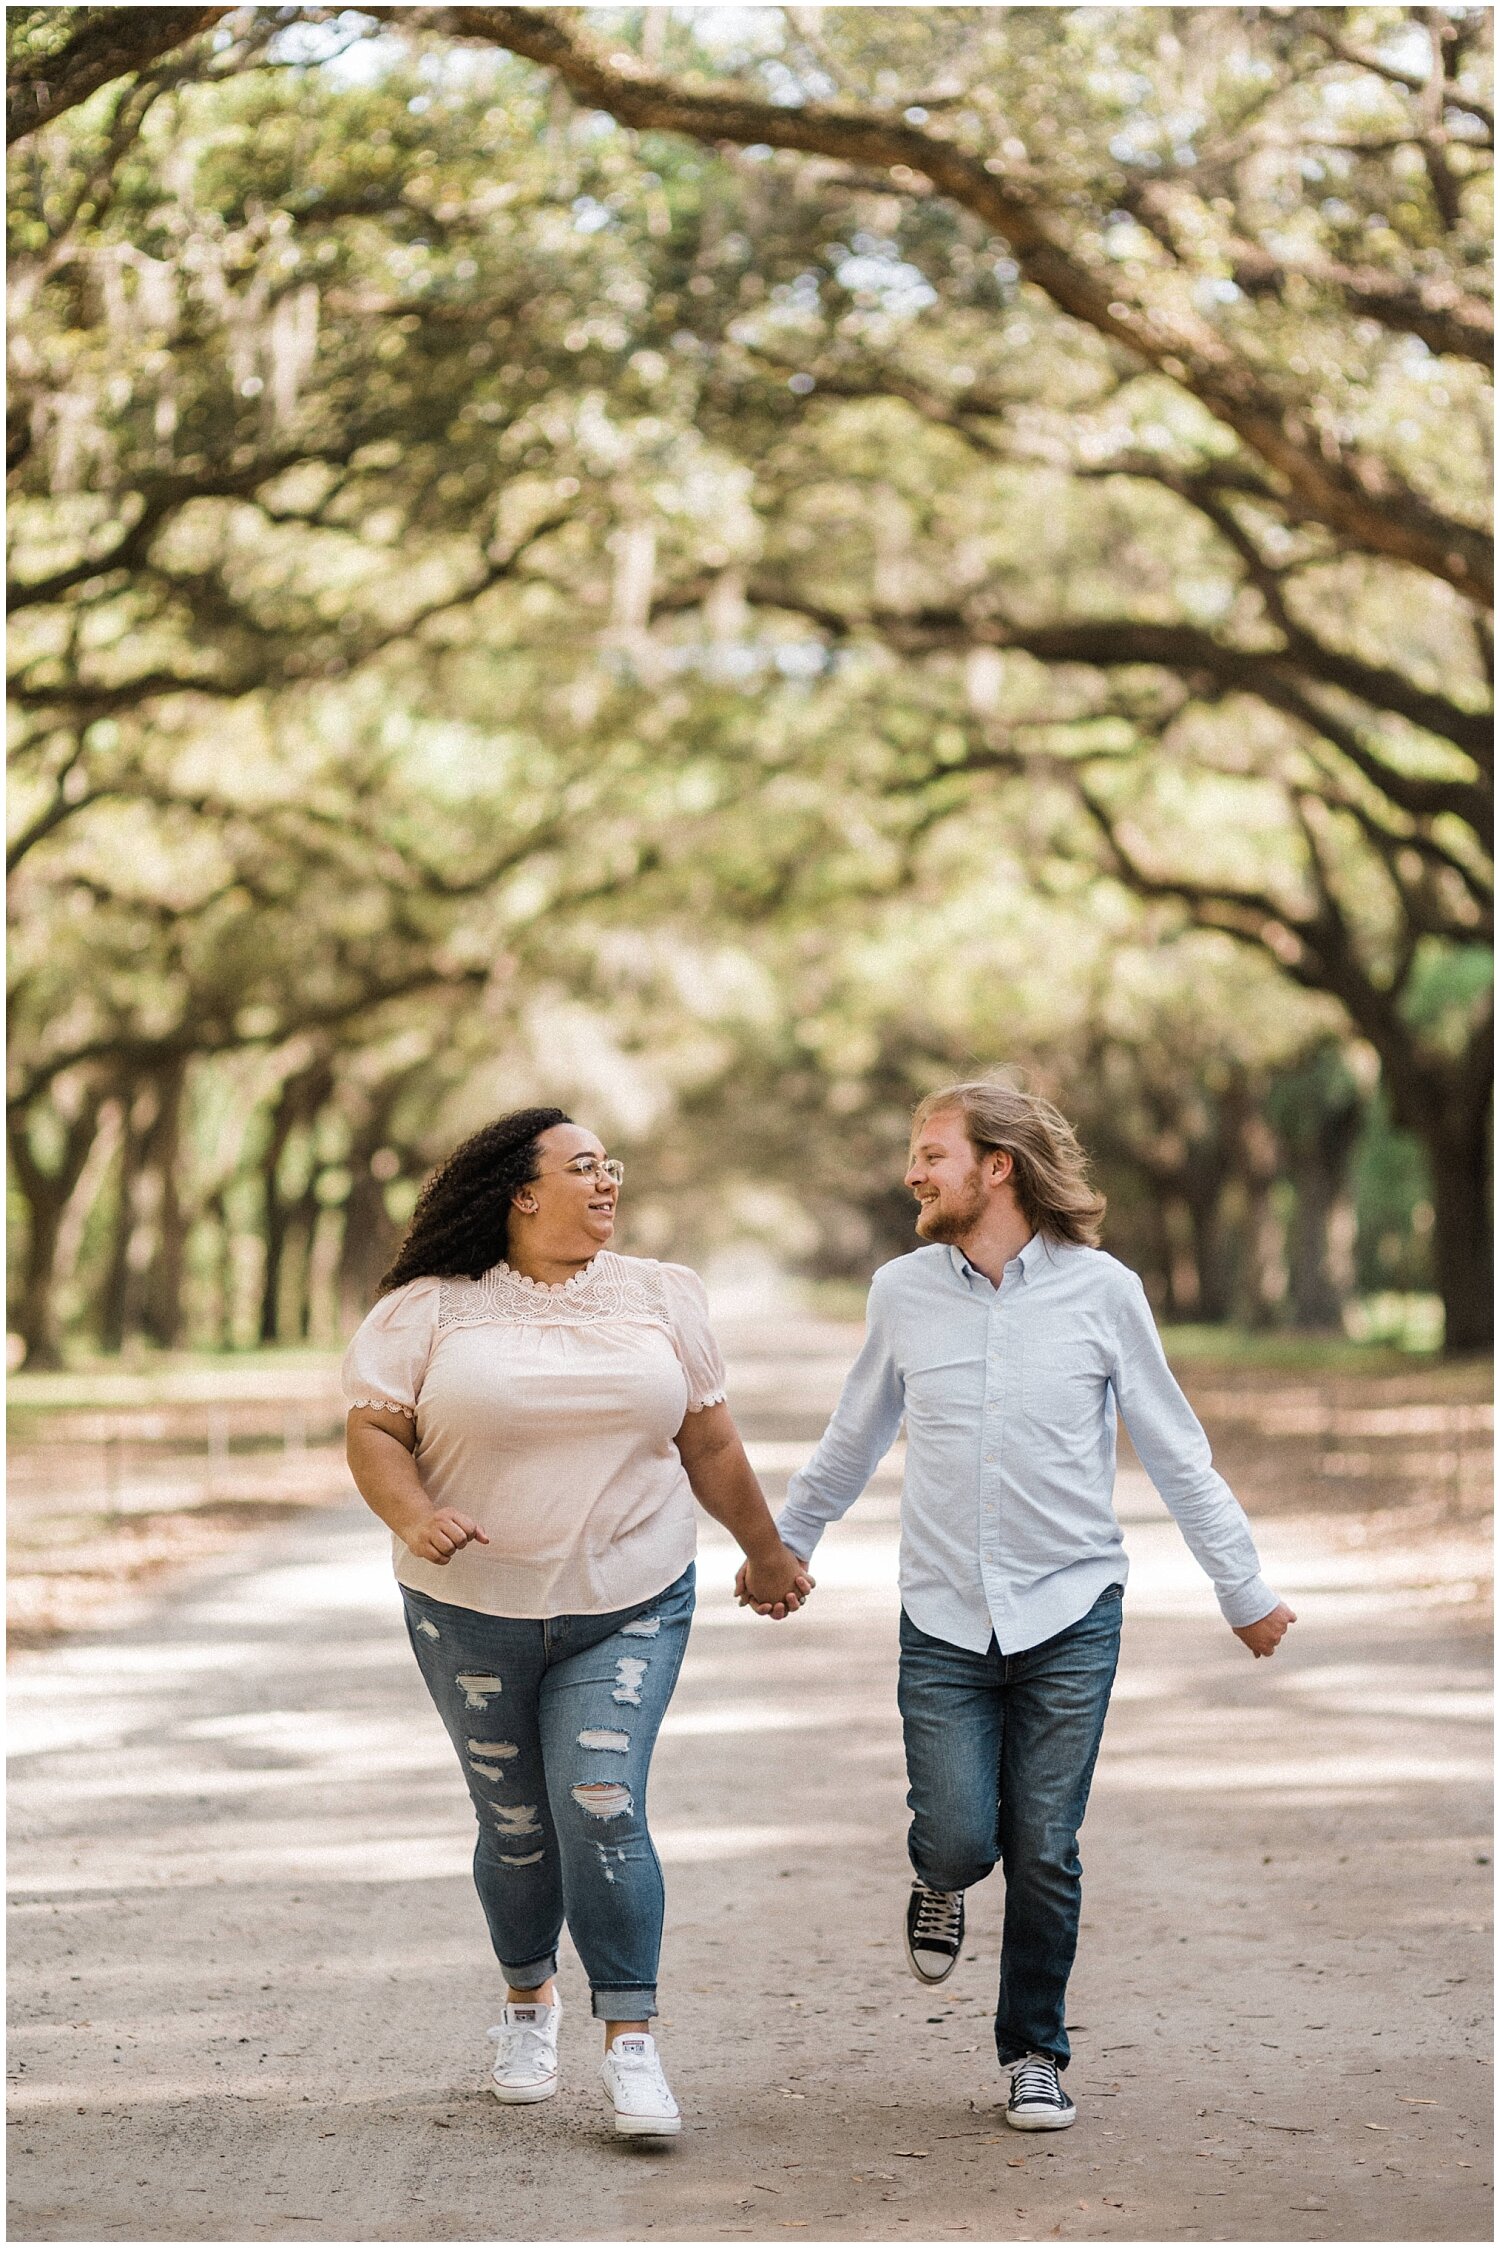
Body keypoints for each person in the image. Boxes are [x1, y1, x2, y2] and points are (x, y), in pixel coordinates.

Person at [739, 1079, 1295, 2133]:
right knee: (956, 1837)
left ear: (999, 1165)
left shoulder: (1104, 1291)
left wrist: (1243, 1588)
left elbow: (1175, 1449)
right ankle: (939, 1879)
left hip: (1072, 1610)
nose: (913, 1172)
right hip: (945, 1616)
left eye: (932, 1152)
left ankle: (1034, 2050)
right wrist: (784, 1545)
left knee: (1046, 1842)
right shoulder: (902, 1291)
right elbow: (854, 1434)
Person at [344, 1106, 811, 2138]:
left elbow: (713, 1442)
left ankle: (633, 2042)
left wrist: (765, 1548)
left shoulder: (662, 1296)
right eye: (584, 1168)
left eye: (613, 1167)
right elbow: (375, 1432)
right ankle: (527, 2001)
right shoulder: (428, 1307)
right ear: (520, 1190)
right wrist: (415, 1514)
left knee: (600, 1802)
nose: (608, 1184)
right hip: (471, 1610)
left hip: (627, 1601)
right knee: (517, 1829)